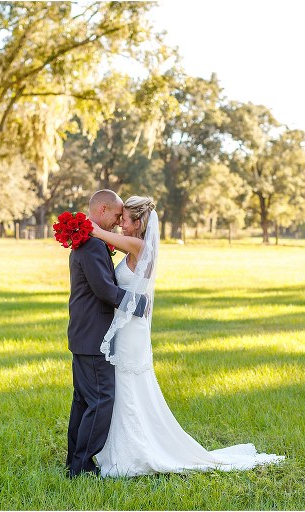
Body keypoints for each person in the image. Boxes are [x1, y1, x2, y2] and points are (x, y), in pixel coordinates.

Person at [88, 195, 286, 477]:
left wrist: (77, 223)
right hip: (131, 326)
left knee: (128, 384)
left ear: (138, 223)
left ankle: (134, 453)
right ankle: (124, 446)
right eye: (119, 219)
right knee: (126, 384)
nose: (120, 224)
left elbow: (96, 231)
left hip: (132, 330)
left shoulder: (138, 245)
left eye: (124, 219)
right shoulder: (135, 244)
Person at [65, 189, 147, 478]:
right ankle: (82, 467)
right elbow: (103, 289)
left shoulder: (88, 240)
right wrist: (140, 305)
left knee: (84, 401)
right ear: (102, 211)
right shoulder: (92, 244)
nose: (117, 221)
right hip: (93, 335)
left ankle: (74, 463)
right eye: (115, 215)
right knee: (101, 400)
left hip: (84, 333)